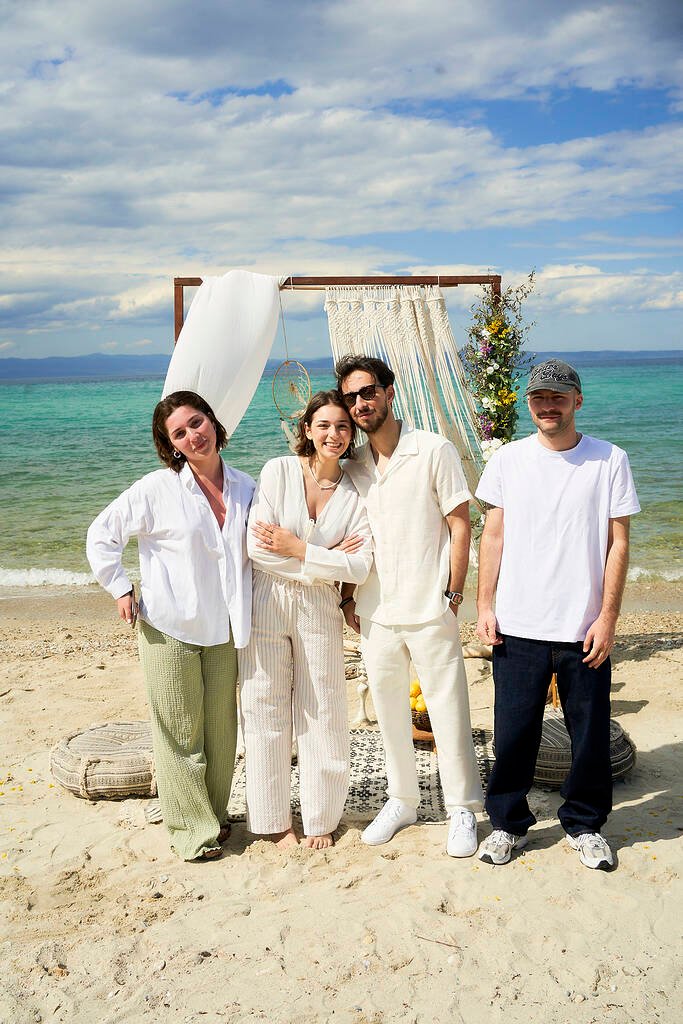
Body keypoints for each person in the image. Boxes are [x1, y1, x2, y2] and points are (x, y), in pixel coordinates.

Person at [475, 358, 640, 870]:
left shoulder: (609, 459)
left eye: (558, 396)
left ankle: (585, 823)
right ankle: (507, 824)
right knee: (514, 732)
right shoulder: (507, 460)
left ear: (577, 400)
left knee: (588, 733)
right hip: (519, 621)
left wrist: (608, 617)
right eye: (539, 398)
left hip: (583, 625)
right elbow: (494, 535)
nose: (548, 405)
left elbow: (617, 542)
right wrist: (484, 604)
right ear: (529, 404)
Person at [87, 390, 254, 862]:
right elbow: (102, 534)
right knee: (180, 733)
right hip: (169, 627)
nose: (192, 435)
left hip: (225, 628)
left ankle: (216, 817)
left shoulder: (246, 486)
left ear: (212, 423)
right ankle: (191, 832)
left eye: (196, 422)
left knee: (222, 733)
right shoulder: (155, 489)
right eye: (178, 433)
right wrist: (120, 587)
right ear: (172, 445)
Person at [336, 355, 483, 857]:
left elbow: (461, 523)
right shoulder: (352, 465)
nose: (361, 403)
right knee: (388, 711)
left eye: (368, 392)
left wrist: (455, 592)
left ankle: (462, 807)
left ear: (389, 392)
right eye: (352, 397)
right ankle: (403, 799)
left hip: (430, 604)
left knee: (447, 707)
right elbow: (348, 536)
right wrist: (348, 596)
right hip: (375, 610)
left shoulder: (433, 449)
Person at [239, 390, 373, 850]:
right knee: (264, 702)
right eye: (324, 425)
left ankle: (320, 817)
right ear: (307, 430)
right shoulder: (277, 471)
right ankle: (273, 820)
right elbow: (257, 549)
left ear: (351, 433)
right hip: (268, 598)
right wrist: (327, 558)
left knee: (324, 706)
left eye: (341, 426)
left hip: (320, 604)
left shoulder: (358, 490)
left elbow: (361, 567)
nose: (333, 434)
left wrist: (298, 549)